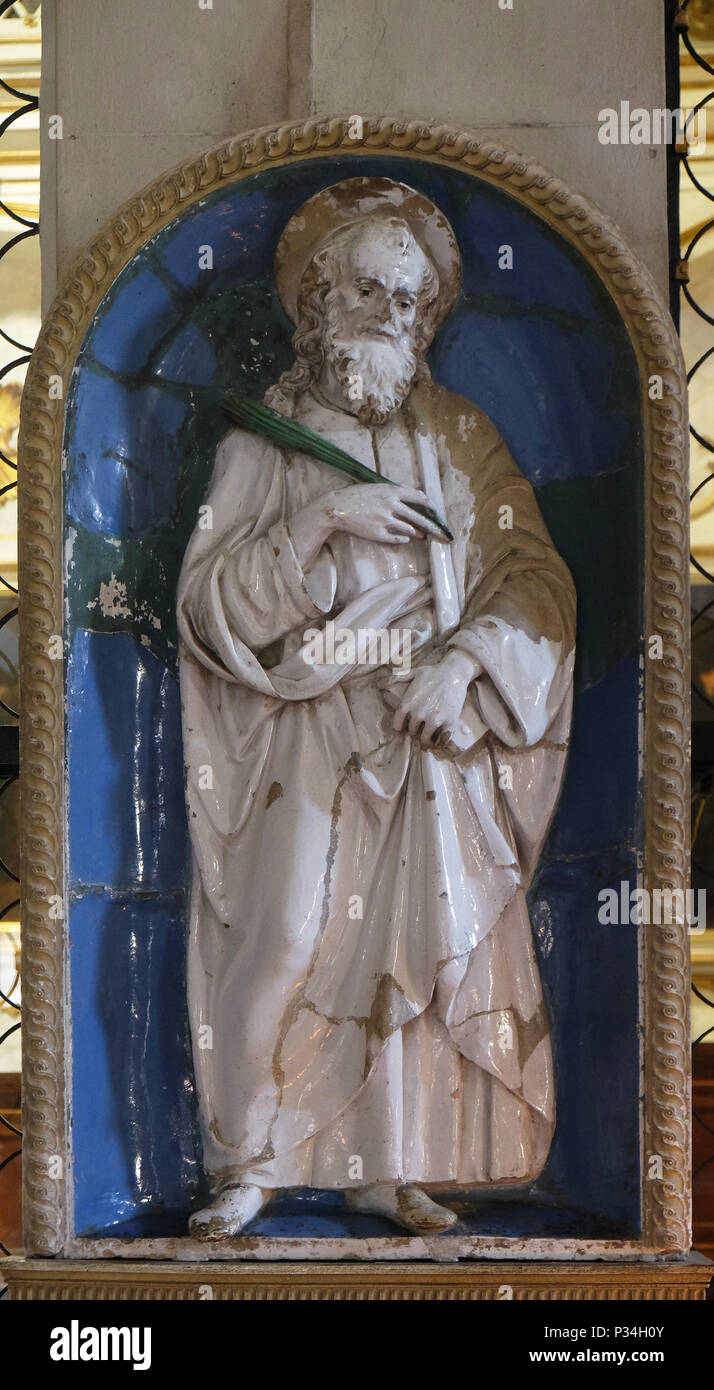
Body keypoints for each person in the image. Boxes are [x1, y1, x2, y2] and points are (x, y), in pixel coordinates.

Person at [177, 177, 576, 1238]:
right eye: (368, 291)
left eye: (410, 299)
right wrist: (320, 527)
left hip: (427, 728)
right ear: (317, 303)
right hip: (305, 728)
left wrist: (471, 664)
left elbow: (534, 577)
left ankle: (385, 1160)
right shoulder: (262, 442)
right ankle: (253, 1156)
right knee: (288, 935)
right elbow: (209, 603)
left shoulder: (460, 440)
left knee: (418, 930)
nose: (391, 316)